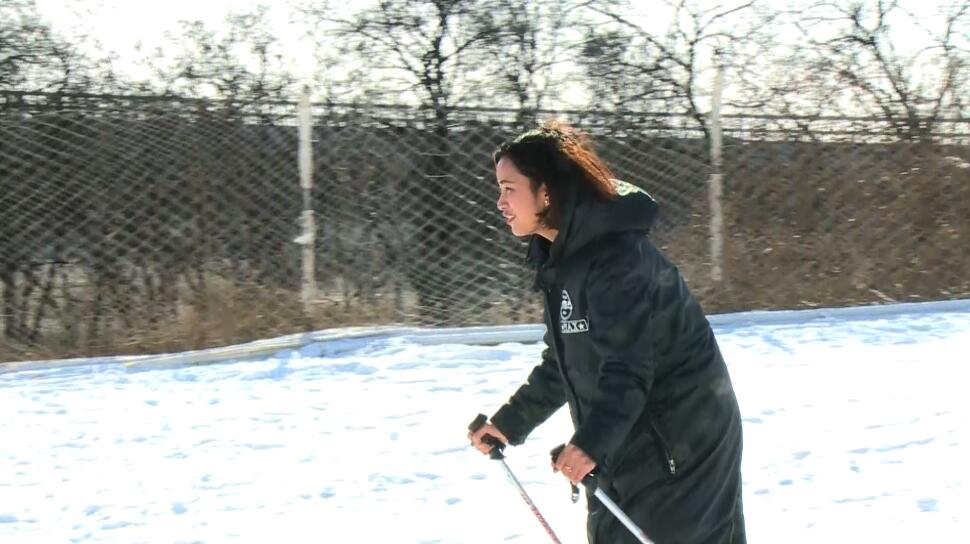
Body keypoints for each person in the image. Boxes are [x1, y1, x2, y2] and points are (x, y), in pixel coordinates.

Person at [468, 121, 746, 544]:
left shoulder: (616, 259)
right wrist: (508, 424)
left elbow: (627, 366)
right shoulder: (561, 260)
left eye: (509, 189)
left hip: (683, 438)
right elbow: (564, 363)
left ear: (547, 192)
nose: (500, 202)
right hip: (629, 434)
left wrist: (591, 443)